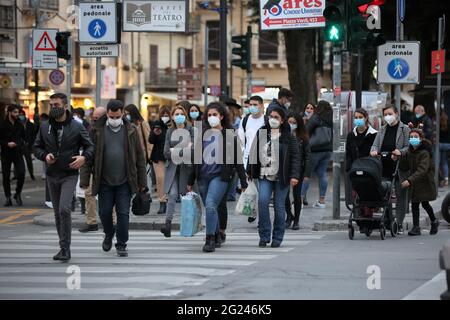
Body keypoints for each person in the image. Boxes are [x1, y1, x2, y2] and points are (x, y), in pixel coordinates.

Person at [80, 100, 147, 257]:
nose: (115, 119)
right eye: (112, 116)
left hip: (125, 181)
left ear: (123, 113)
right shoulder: (96, 130)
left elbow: (140, 159)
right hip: (104, 181)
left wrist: (142, 183)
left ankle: (121, 243)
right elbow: (88, 156)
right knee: (104, 212)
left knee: (123, 213)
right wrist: (84, 179)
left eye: (117, 116)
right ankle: (109, 234)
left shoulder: (131, 130)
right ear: (107, 114)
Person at [33, 93, 94, 262]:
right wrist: (44, 156)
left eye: (56, 104)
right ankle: (63, 248)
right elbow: (36, 147)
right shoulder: (45, 126)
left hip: (69, 174)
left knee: (64, 209)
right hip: (52, 174)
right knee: (57, 213)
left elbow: (90, 147)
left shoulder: (76, 126)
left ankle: (65, 248)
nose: (53, 107)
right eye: (51, 105)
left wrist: (83, 158)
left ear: (65, 106)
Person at [187, 102, 248, 253]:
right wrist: (190, 180)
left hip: (220, 177)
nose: (211, 118)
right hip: (202, 177)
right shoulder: (202, 134)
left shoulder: (229, 135)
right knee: (210, 207)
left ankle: (210, 239)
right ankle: (215, 233)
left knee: (211, 204)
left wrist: (243, 180)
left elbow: (237, 159)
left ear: (221, 116)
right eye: (209, 115)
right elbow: (195, 159)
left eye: (214, 115)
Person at [248, 106, 300, 247]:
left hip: (281, 176)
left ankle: (277, 237)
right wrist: (250, 172)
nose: (273, 119)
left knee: (279, 206)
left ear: (282, 120)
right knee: (263, 202)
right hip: (264, 174)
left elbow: (295, 157)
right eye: (271, 117)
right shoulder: (262, 132)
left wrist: (295, 176)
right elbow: (253, 152)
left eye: (276, 117)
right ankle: (264, 235)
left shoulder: (289, 137)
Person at [370, 105, 410, 233]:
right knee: (385, 195)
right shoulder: (382, 129)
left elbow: (408, 147)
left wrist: (400, 152)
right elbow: (375, 145)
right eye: (385, 114)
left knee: (400, 196)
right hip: (384, 167)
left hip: (399, 167)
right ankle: (389, 220)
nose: (388, 116)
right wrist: (374, 151)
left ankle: (399, 223)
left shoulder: (405, 129)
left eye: (390, 113)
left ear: (397, 114)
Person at [160, 106, 195, 237]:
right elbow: (166, 152)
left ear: (185, 116)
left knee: (186, 196)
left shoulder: (191, 130)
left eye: (181, 114)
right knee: (173, 194)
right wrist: (184, 149)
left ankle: (189, 224)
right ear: (173, 117)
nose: (179, 116)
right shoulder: (170, 131)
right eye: (176, 114)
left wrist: (175, 150)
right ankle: (167, 224)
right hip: (173, 168)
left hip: (187, 168)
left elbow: (193, 151)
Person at [398, 129, 439, 236]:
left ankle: (433, 221)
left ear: (421, 139)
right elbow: (404, 166)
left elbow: (422, 169)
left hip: (424, 182)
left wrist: (409, 180)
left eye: (416, 137)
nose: (413, 139)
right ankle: (416, 227)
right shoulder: (410, 152)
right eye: (411, 137)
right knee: (415, 204)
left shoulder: (425, 153)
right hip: (415, 182)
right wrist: (398, 158)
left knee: (425, 204)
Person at [238, 95, 267, 223]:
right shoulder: (245, 120)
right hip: (248, 160)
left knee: (264, 190)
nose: (253, 107)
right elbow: (241, 140)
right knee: (251, 188)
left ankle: (262, 216)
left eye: (255, 105)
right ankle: (253, 211)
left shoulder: (266, 120)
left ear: (261, 106)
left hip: (264, 160)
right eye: (251, 105)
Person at [78, 106, 107, 233]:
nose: (94, 120)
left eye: (97, 118)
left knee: (109, 196)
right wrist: (84, 177)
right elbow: (87, 152)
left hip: (108, 168)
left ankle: (113, 222)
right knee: (88, 193)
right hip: (94, 167)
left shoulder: (112, 129)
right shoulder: (92, 130)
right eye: (93, 118)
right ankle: (91, 222)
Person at [301, 100, 333, 209]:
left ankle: (300, 199)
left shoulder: (316, 118)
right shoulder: (331, 118)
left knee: (306, 175)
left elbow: (305, 131)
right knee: (322, 174)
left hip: (314, 150)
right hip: (327, 150)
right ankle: (321, 201)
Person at [285, 112, 311, 230]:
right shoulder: (283, 135)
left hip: (298, 169)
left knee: (296, 196)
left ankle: (296, 220)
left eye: (294, 123)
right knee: (284, 195)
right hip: (285, 169)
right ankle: (289, 216)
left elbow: (308, 156)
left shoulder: (303, 137)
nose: (291, 125)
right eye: (289, 122)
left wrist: (307, 173)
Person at [0, 104, 26, 206]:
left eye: (18, 112)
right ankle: (8, 197)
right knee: (6, 176)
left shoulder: (19, 124)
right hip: (6, 153)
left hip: (17, 152)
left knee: (22, 173)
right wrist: (7, 143)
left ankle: (17, 194)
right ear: (9, 112)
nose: (17, 114)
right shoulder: (2, 124)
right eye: (15, 112)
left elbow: (24, 138)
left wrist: (18, 144)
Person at [149, 106, 171, 214]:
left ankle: (170, 200)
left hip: (171, 156)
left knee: (170, 179)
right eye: (163, 115)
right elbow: (151, 140)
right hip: (158, 156)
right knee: (160, 178)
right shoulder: (157, 124)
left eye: (167, 115)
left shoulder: (173, 125)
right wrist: (155, 133)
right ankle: (162, 202)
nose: (165, 117)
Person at [18, 108, 37, 181]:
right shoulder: (17, 123)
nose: (20, 116)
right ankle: (17, 175)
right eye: (19, 115)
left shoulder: (30, 124)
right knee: (18, 161)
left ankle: (31, 174)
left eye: (22, 115)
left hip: (27, 145)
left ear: (24, 115)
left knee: (29, 161)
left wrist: (30, 143)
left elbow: (33, 135)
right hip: (19, 145)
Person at [439, 110, 450, 187]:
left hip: (439, 144)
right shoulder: (448, 124)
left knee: (438, 162)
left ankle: (439, 178)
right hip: (447, 145)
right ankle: (446, 178)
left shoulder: (438, 124)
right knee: (444, 162)